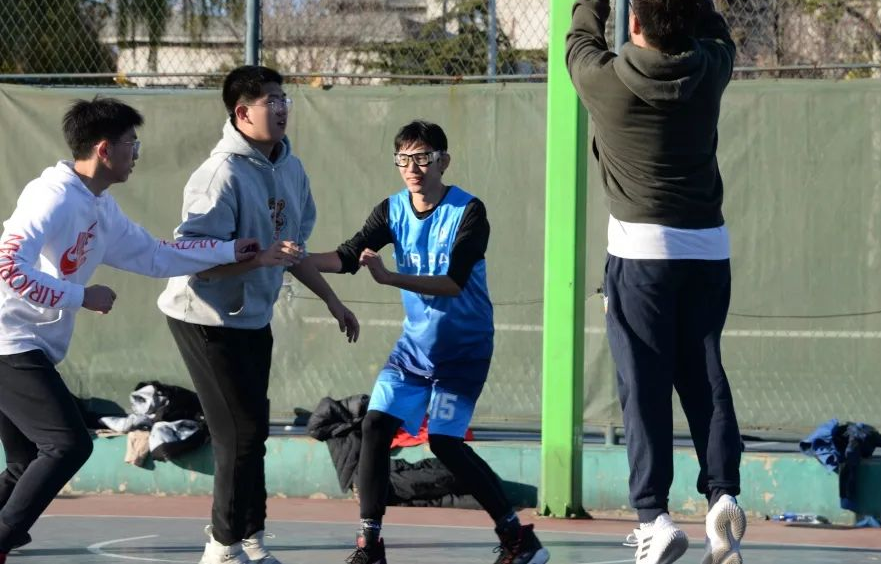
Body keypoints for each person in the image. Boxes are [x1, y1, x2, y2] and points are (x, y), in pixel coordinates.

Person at [0, 97, 260, 564]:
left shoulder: (100, 207)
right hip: (7, 342)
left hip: (23, 344)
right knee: (67, 444)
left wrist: (227, 250)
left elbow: (156, 255)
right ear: (104, 149)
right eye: (131, 144)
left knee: (25, 461)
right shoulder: (52, 196)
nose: (136, 153)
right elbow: (8, 267)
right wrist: (81, 296)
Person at [565, 0, 746, 564]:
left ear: (635, 21)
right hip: (708, 250)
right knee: (704, 372)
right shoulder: (712, 70)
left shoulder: (605, 81)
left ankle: (654, 517)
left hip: (640, 255)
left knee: (643, 384)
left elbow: (578, 35)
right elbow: (717, 33)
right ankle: (723, 493)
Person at [308, 120, 548, 564]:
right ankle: (370, 544)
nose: (412, 168)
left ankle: (518, 538)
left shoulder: (469, 211)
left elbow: (454, 282)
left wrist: (389, 277)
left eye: (422, 158)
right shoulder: (391, 210)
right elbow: (346, 256)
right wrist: (295, 258)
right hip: (415, 349)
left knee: (444, 443)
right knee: (375, 426)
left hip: (464, 351)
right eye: (403, 159)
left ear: (443, 161)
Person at [157, 65, 360, 564]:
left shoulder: (291, 169)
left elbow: (292, 250)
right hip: (203, 316)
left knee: (254, 433)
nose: (283, 107)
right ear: (242, 113)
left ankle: (251, 536)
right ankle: (221, 547)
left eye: (284, 97)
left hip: (251, 316)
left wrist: (333, 300)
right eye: (271, 100)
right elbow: (194, 259)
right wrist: (258, 259)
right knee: (237, 434)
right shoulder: (220, 175)